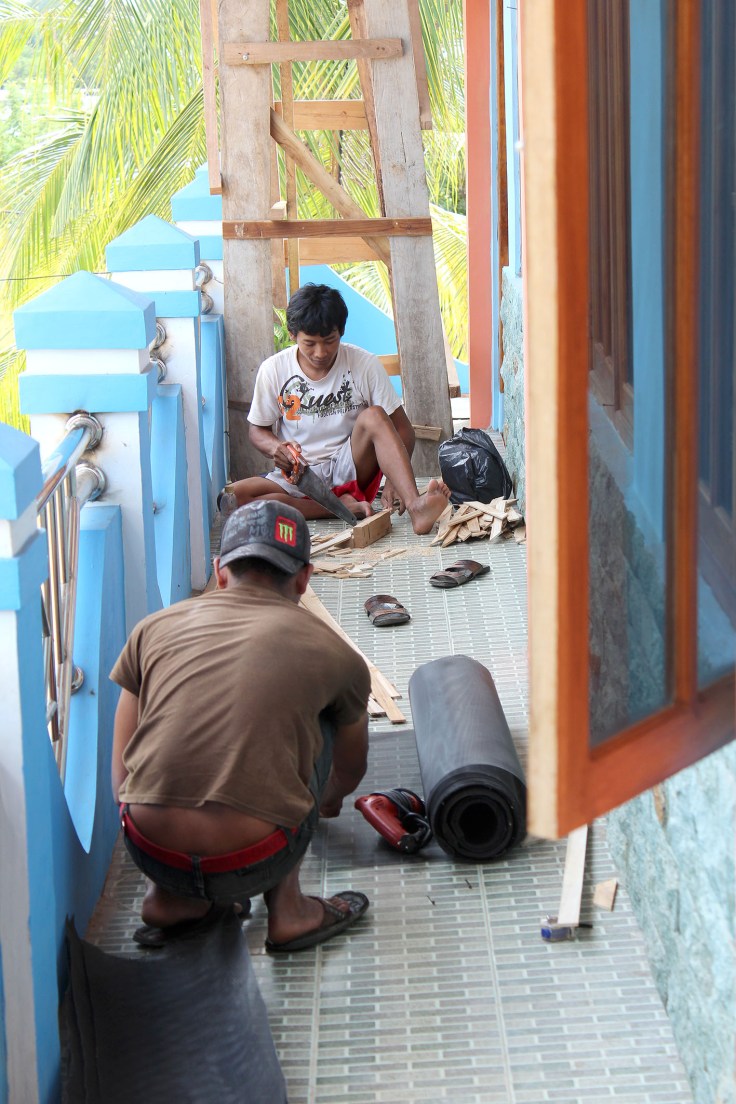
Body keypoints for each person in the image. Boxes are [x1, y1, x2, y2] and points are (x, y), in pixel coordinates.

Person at [110, 500, 372, 952]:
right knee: (323, 716)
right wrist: (327, 802)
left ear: (220, 571)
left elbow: (122, 766)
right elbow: (351, 767)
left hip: (149, 848)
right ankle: (289, 912)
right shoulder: (335, 653)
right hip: (256, 858)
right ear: (304, 579)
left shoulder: (151, 630)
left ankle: (168, 899)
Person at [220, 283, 451, 534]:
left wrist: (394, 481)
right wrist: (276, 448)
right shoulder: (274, 369)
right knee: (233, 498)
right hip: (299, 474)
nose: (320, 352)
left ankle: (417, 507)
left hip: (350, 468)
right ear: (292, 334)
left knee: (374, 415)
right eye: (310, 343)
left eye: (329, 341)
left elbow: (403, 429)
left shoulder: (363, 364)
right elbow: (257, 431)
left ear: (341, 332)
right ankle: (338, 507)